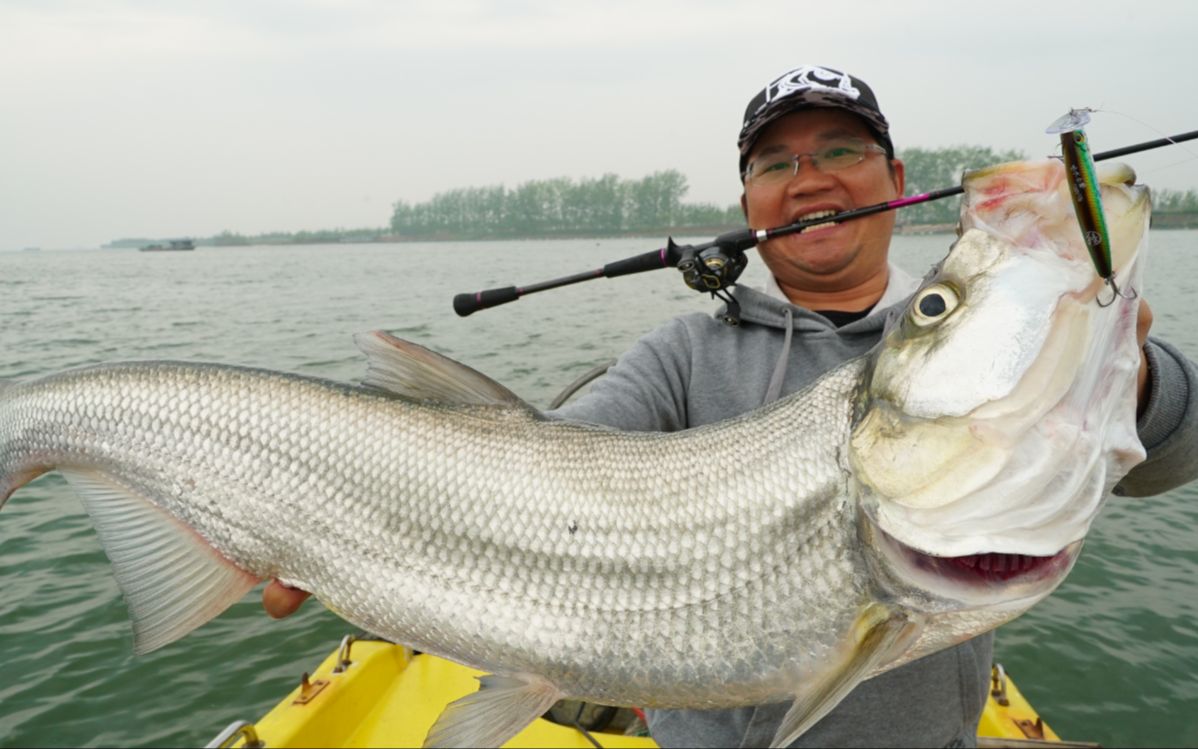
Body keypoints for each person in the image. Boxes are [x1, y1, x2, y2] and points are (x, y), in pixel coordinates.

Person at [262, 65, 1198, 747]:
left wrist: (1124, 372)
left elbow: (1168, 452)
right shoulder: (681, 354)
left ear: (896, 178)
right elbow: (547, 470)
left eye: (842, 149)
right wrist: (338, 517)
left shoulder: (979, 365)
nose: (811, 176)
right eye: (776, 161)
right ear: (748, 198)